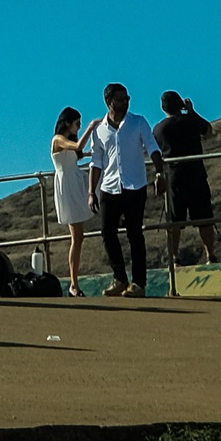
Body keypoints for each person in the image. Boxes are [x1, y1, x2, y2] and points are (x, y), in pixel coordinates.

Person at [85, 83, 155, 296]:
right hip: (109, 187)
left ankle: (139, 284)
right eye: (120, 99)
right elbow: (96, 162)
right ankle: (120, 279)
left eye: (127, 98)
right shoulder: (99, 130)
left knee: (135, 234)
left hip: (135, 186)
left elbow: (153, 147)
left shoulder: (139, 122)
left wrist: (160, 173)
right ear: (109, 103)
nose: (125, 103)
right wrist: (91, 192)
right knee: (107, 232)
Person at [153, 90, 220, 267]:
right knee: (204, 218)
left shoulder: (159, 129)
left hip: (175, 178)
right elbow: (208, 131)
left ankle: (174, 258)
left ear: (163, 108)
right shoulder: (190, 121)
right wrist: (191, 112)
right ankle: (210, 255)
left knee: (175, 220)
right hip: (197, 175)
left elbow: (154, 151)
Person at [48, 106, 96, 285]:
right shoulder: (58, 140)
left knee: (79, 237)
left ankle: (74, 283)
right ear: (67, 123)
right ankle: (74, 283)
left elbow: (77, 154)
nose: (79, 127)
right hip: (68, 185)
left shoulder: (66, 140)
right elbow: (77, 147)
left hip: (76, 181)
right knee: (77, 237)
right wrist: (91, 128)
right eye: (77, 123)